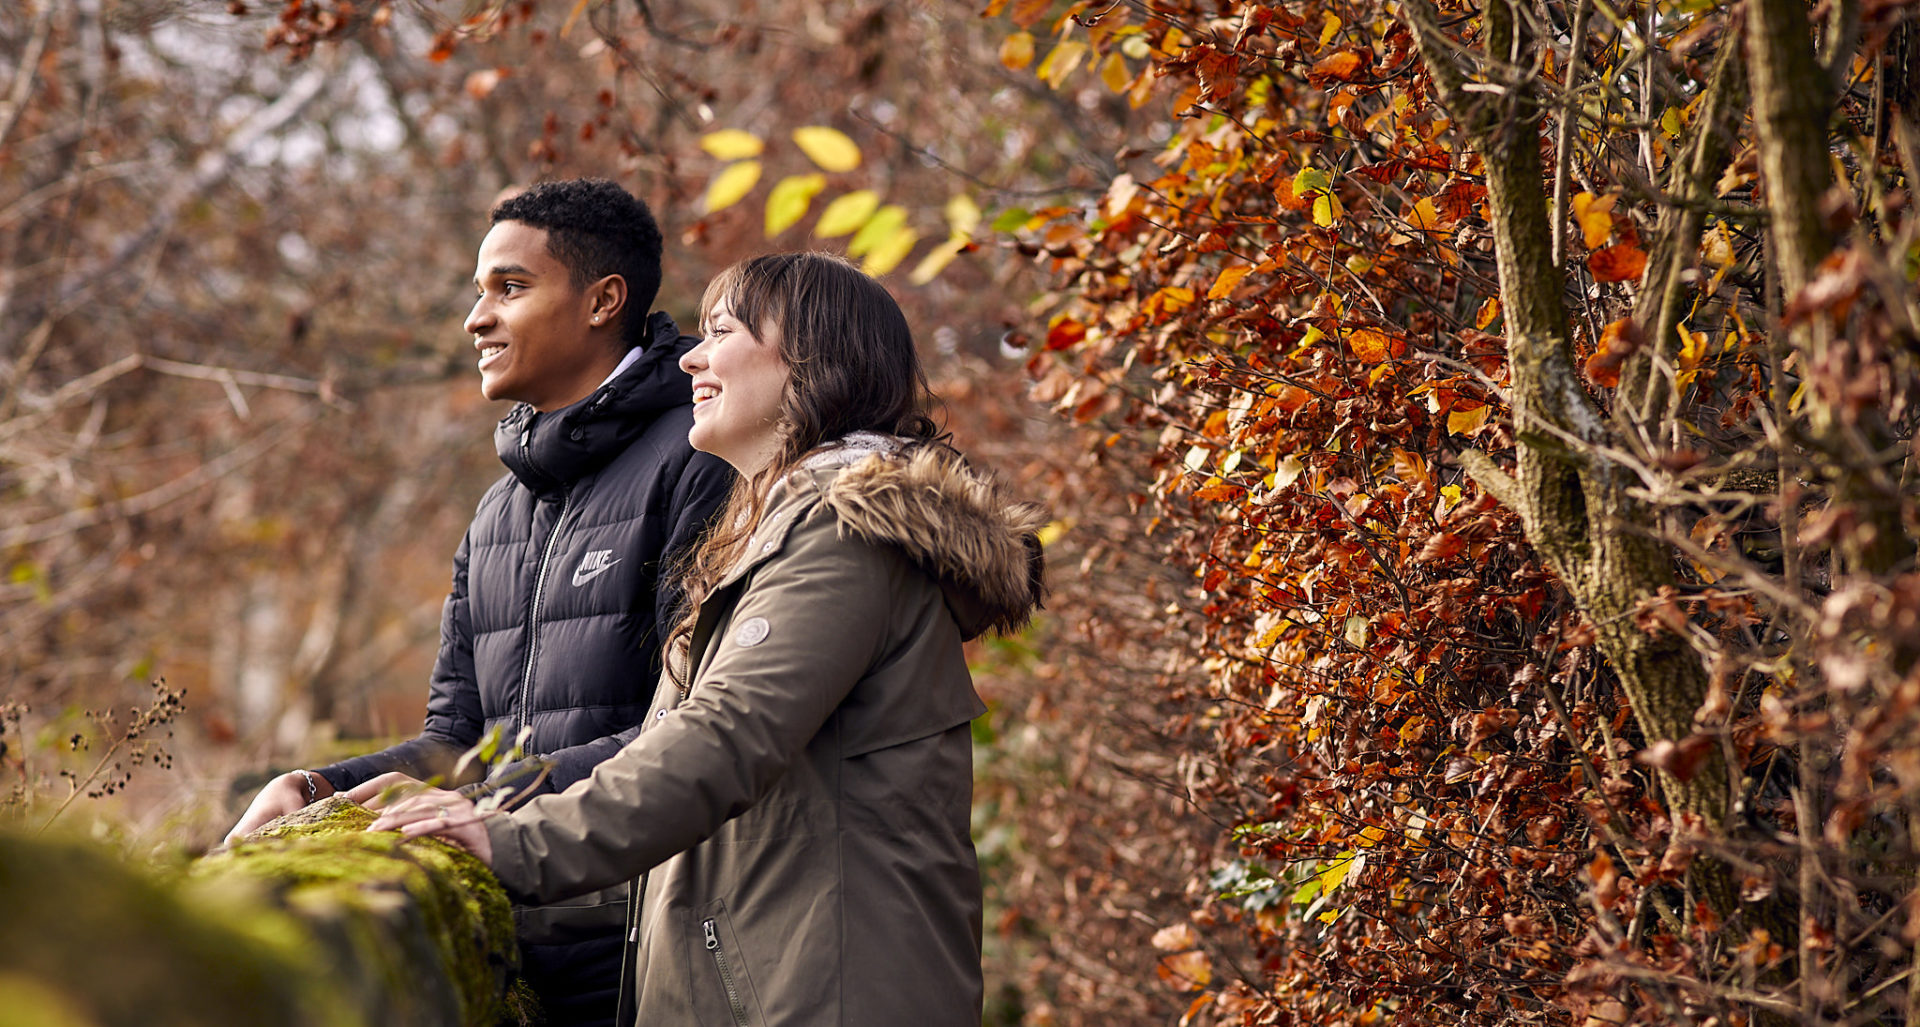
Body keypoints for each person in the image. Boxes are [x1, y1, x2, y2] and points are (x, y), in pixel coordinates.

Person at [361, 251, 1047, 1025]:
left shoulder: (841, 532)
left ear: (810, 360)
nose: (690, 354)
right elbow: (701, 841)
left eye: (721, 330)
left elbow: (721, 739)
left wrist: (509, 843)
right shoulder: (773, 535)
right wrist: (479, 841)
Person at [226, 178, 734, 1025]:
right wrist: (316, 786)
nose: (476, 318)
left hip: (653, 953)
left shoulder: (701, 459)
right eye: (478, 292)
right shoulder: (501, 509)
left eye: (510, 287)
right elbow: (459, 742)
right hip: (515, 948)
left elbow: (696, 722)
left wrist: (488, 804)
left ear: (604, 300)